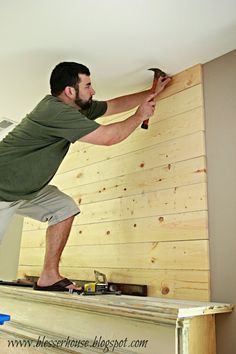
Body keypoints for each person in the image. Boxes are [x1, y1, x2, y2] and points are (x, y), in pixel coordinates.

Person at [0, 62, 171, 292]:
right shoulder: (53, 110)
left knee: (64, 208)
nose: (93, 91)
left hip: (27, 191)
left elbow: (113, 106)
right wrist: (139, 116)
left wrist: (151, 93)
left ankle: (49, 275)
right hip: (1, 191)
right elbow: (108, 137)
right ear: (70, 91)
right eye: (88, 85)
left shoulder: (76, 109)